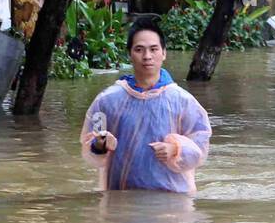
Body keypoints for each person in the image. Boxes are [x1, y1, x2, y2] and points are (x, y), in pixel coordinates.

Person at [81, 16, 212, 194]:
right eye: (139, 49)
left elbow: (200, 146)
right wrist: (100, 143)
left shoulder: (183, 101)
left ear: (164, 53)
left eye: (153, 49)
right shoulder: (107, 101)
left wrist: (175, 149)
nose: (147, 56)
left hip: (172, 202)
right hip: (121, 198)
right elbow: (91, 147)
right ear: (130, 54)